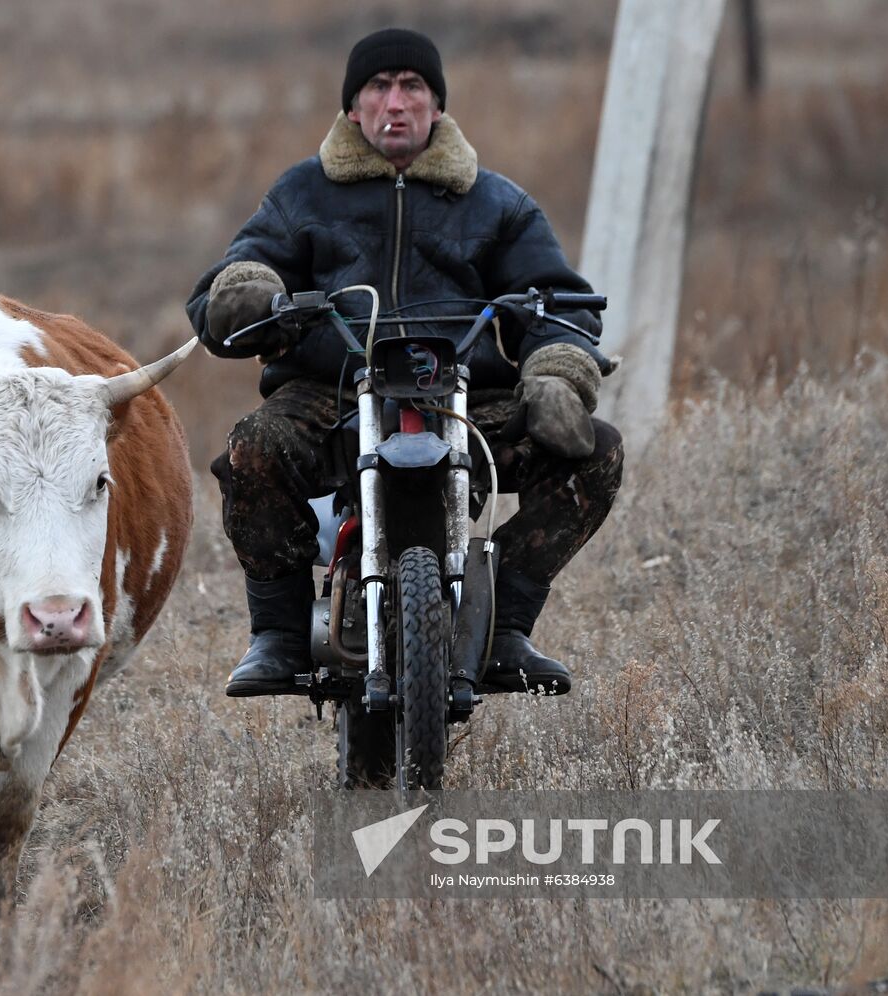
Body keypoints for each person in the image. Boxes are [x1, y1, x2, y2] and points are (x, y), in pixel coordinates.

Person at [185, 28, 623, 698]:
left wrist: (558, 371)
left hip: (464, 397)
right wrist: (248, 293)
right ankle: (275, 633)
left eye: (413, 87)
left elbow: (558, 299)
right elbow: (239, 272)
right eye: (379, 88)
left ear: (438, 106)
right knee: (252, 448)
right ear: (353, 110)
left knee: (597, 453)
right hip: (331, 392)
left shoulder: (497, 202)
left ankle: (503, 628)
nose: (397, 101)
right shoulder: (303, 192)